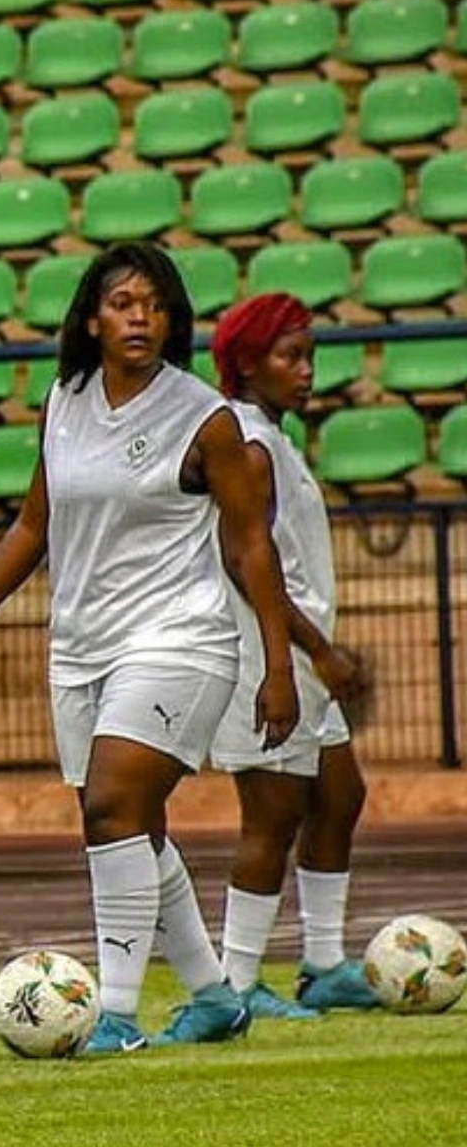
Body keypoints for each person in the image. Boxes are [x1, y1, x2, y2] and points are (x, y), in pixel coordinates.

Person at [0, 244, 299, 1054]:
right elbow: (33, 527)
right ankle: (215, 997)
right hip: (81, 646)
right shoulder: (65, 399)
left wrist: (280, 666)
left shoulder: (205, 418)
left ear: (173, 320)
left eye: (154, 304)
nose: (140, 316)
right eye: (123, 303)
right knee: (134, 827)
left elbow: (253, 547)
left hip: (181, 639)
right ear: (91, 317)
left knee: (110, 807)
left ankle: (112, 1014)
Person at [206, 295, 378, 1014]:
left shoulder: (273, 436)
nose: (306, 372)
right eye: (290, 356)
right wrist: (315, 652)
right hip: (268, 658)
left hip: (304, 661)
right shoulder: (248, 441)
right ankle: (237, 983)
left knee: (340, 795)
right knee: (272, 818)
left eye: (309, 355)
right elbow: (240, 557)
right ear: (247, 365)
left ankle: (324, 960)